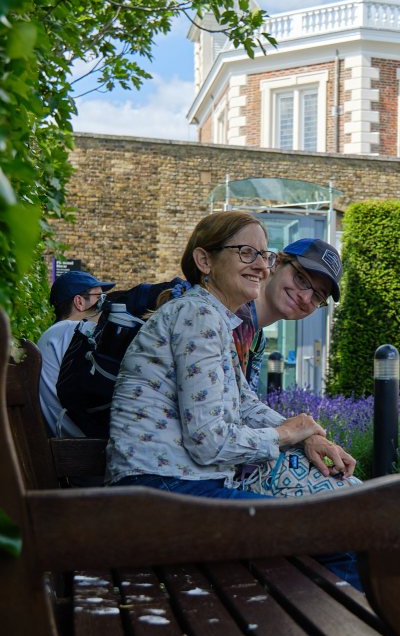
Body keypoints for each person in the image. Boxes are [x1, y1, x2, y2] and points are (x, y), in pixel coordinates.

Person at [106, 211, 358, 498]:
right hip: (162, 487)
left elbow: (244, 405)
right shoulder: (197, 315)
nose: (261, 266)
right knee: (324, 516)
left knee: (336, 509)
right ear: (205, 261)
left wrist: (307, 435)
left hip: (179, 483)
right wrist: (287, 433)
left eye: (263, 255)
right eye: (246, 253)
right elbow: (208, 441)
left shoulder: (217, 318)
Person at [232, 237, 342, 391]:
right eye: (301, 279)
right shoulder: (232, 318)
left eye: (317, 296)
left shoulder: (257, 338)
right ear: (276, 263)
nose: (305, 298)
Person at [37, 270, 115, 436]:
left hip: (63, 435)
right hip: (80, 440)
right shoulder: (75, 330)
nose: (104, 304)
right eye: (100, 298)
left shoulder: (53, 334)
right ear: (79, 302)